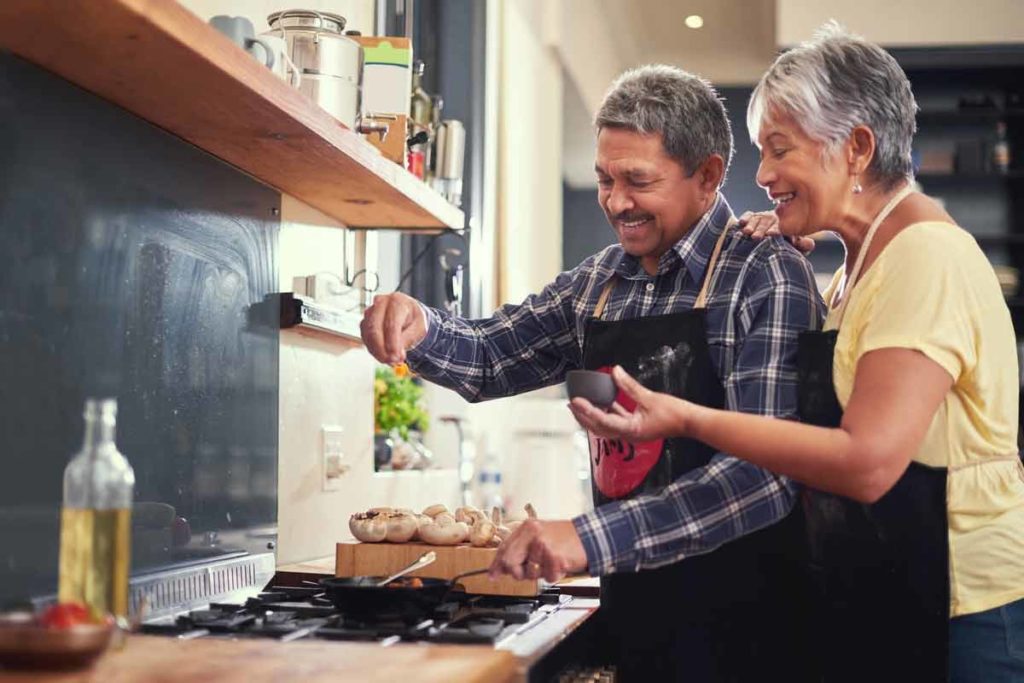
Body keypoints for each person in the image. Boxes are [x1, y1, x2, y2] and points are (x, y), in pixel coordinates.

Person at [571, 24, 1024, 683]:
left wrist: (685, 417)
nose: (763, 175)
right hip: (894, 595)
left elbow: (867, 462)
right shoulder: (855, 266)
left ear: (857, 148)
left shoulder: (925, 256)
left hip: (966, 612)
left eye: (780, 150)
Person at [362, 64, 822, 681]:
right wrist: (419, 324)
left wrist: (587, 538)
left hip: (748, 630)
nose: (615, 201)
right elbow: (491, 354)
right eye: (605, 179)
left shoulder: (765, 273)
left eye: (638, 180)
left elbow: (766, 476)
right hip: (636, 615)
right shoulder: (600, 283)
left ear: (708, 175)